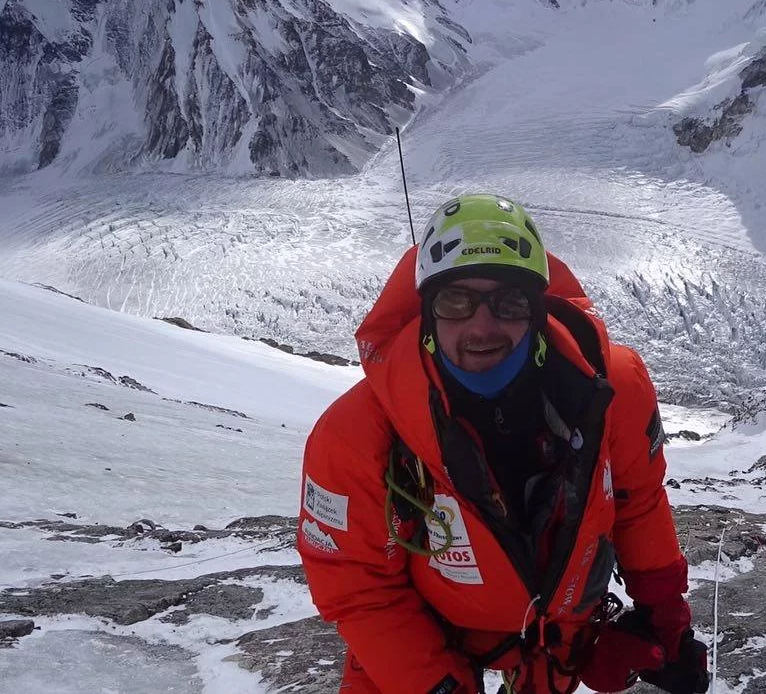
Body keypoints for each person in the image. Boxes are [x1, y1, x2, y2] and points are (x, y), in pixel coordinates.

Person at [297, 194, 709, 693]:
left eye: (509, 302)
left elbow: (637, 502)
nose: (482, 326)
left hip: (554, 643)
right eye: (456, 301)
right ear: (426, 315)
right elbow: (357, 587)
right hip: (420, 644)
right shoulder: (357, 434)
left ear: (536, 310)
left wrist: (664, 615)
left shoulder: (609, 389)